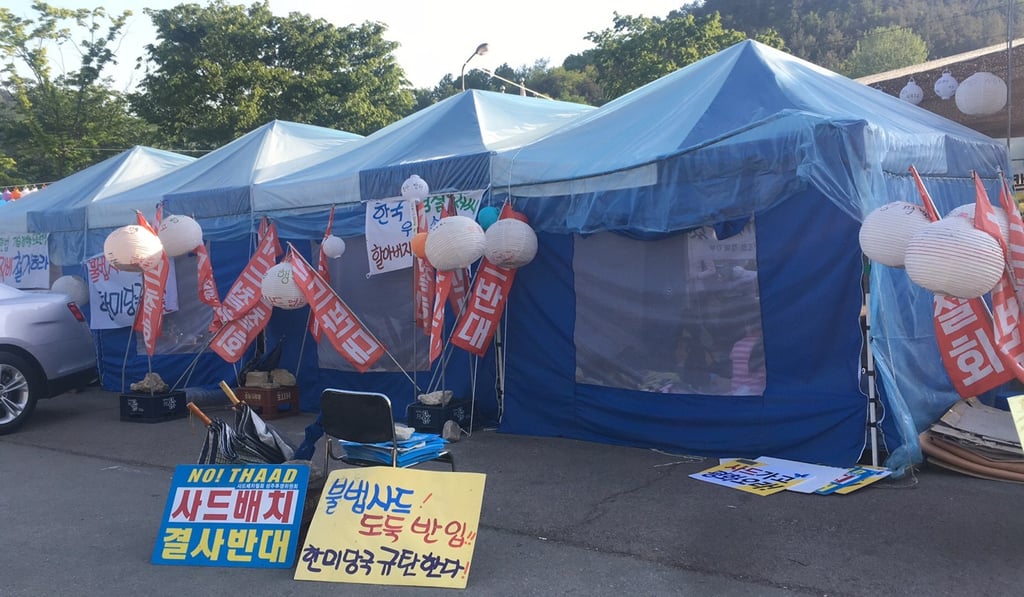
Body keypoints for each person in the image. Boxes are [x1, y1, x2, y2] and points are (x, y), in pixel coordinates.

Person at [730, 327, 766, 394]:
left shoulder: (737, 344)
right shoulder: (761, 346)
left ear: (748, 329)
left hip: (736, 390)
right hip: (754, 392)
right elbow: (762, 376)